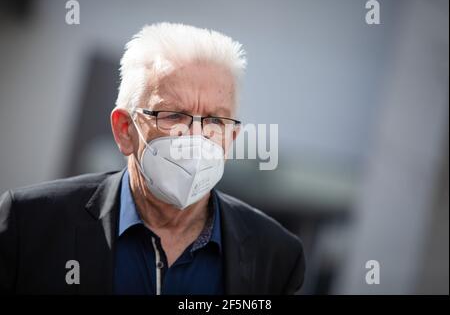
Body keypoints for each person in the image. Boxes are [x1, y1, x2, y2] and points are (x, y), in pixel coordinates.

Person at [0, 22, 305, 295]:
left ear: (232, 139)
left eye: (214, 120)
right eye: (173, 115)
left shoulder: (277, 256)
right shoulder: (30, 225)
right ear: (124, 130)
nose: (195, 137)